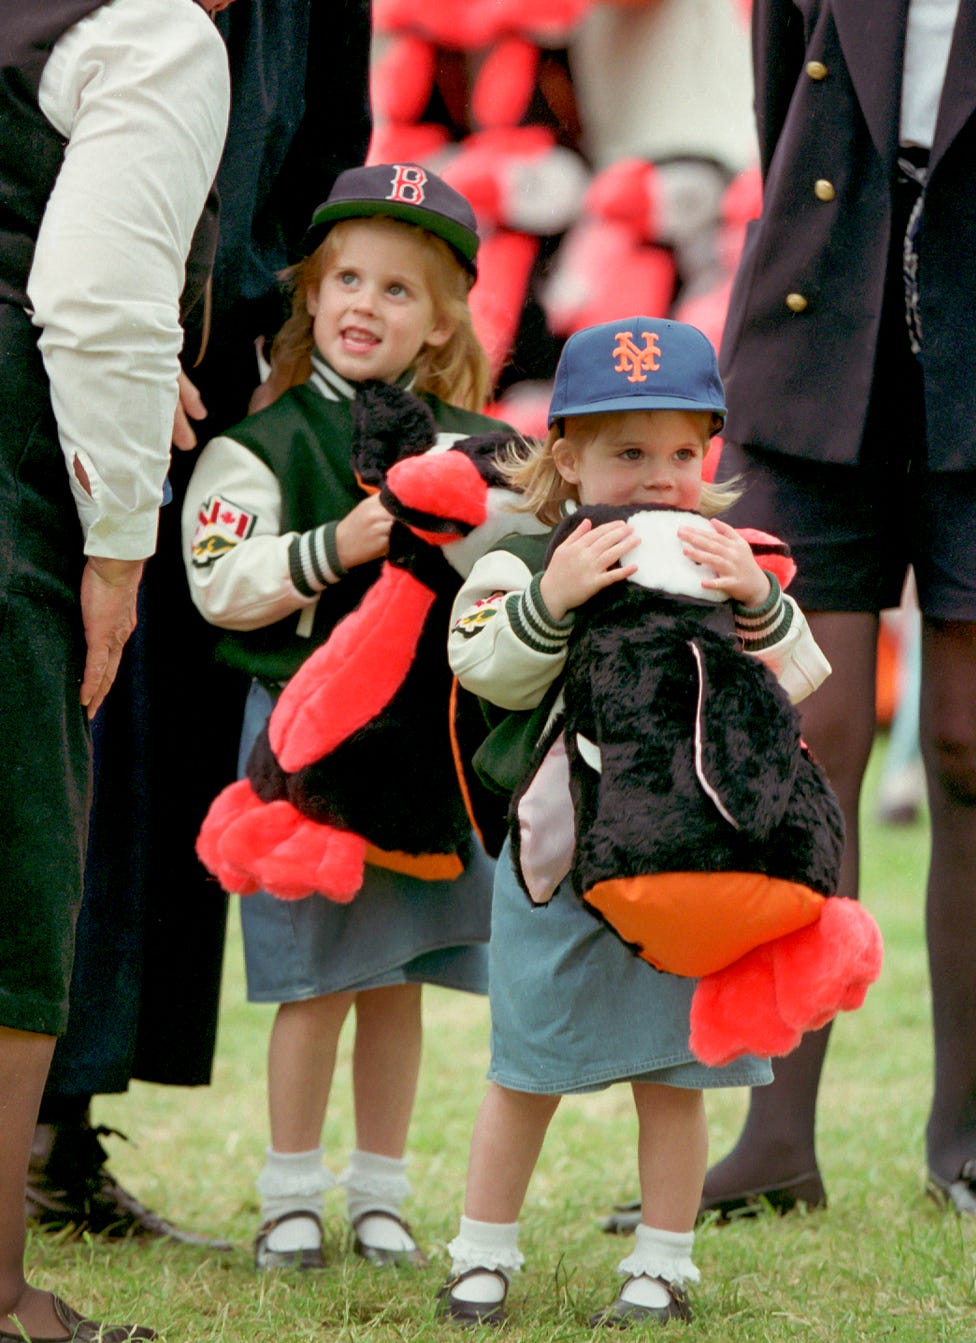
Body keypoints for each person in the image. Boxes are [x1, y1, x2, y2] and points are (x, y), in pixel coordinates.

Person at [25, 0, 375, 1248]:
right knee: (60, 740)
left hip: (223, 380)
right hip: (68, 341)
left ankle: (67, 1131)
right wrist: (122, 324)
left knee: (167, 758)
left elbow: (329, 153)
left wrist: (289, 347)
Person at [436, 317, 836, 1328]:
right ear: (565, 456)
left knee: (677, 1073)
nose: (658, 477)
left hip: (687, 862)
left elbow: (797, 684)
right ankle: (481, 1250)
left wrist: (757, 601)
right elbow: (479, 665)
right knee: (524, 1063)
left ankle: (663, 1263)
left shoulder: (728, 555)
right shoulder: (516, 557)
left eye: (679, 452)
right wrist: (552, 596)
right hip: (558, 857)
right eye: (625, 453)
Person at [181, 163, 509, 1272]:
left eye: (400, 290)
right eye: (348, 280)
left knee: (396, 974)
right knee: (311, 979)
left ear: (441, 321)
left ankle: (379, 1192)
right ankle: (288, 1196)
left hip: (426, 752)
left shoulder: (481, 446)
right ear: (312, 298)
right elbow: (219, 579)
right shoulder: (258, 444)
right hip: (303, 748)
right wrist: (339, 546)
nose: (367, 304)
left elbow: (515, 569)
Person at [692, 0, 976, 1220]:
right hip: (819, 336)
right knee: (803, 738)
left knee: (971, 746)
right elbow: (784, 109)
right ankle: (774, 1138)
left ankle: (966, 1136)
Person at [0, 0, 230, 1338]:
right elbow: (96, 302)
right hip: (15, 453)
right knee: (19, 865)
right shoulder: (156, 34)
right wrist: (118, 548)